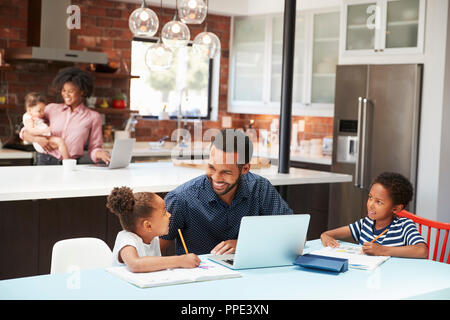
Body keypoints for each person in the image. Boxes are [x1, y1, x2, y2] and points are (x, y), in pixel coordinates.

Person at [160, 129, 293, 256]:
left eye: (226, 172)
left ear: (245, 169)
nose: (216, 178)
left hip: (250, 272)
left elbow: (293, 237)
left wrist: (244, 244)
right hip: (200, 274)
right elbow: (152, 250)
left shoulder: (260, 188)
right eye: (212, 167)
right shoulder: (181, 199)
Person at [320, 172, 428, 259]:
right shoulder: (365, 223)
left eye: (379, 202)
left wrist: (382, 250)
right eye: (370, 197)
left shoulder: (404, 225)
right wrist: (325, 236)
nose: (371, 205)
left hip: (394, 279)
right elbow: (328, 234)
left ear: (396, 208)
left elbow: (422, 251)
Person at [21, 67, 110, 165]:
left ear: (82, 91)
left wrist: (100, 153)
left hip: (71, 164)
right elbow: (24, 132)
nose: (66, 94)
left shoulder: (93, 117)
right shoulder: (51, 109)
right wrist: (36, 139)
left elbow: (94, 148)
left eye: (70, 91)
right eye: (63, 90)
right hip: (46, 161)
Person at [106, 186, 201, 272]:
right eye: (164, 213)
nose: (169, 215)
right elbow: (135, 265)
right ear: (148, 226)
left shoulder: (153, 239)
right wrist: (180, 260)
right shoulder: (127, 239)